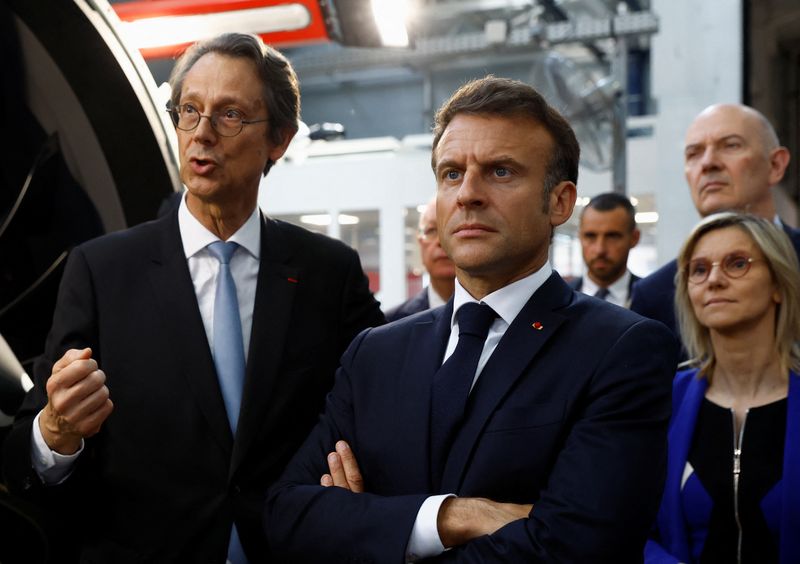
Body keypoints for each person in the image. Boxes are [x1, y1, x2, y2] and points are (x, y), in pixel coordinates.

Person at [2, 33, 384, 563]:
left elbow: (382, 409)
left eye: (229, 115)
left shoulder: (328, 273)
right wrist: (55, 432)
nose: (201, 134)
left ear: (279, 138)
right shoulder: (101, 270)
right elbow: (24, 451)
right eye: (189, 111)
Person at [264, 76, 679, 562]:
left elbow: (575, 548)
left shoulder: (622, 349)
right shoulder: (374, 354)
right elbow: (287, 516)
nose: (469, 194)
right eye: (451, 173)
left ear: (560, 202)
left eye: (501, 172)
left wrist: (371, 529)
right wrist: (450, 517)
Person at [645, 212, 800, 563]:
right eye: (699, 270)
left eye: (737, 264)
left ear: (777, 283)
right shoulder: (663, 400)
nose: (714, 279)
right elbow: (630, 524)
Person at [631, 103, 800, 336]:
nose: (708, 163)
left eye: (731, 145)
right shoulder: (655, 295)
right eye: (694, 153)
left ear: (775, 165)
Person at [385, 196, 456, 321]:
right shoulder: (391, 323)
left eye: (452, 229)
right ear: (420, 242)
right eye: (431, 230)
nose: (440, 241)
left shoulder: (497, 317)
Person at [569, 192, 641, 307]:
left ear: (634, 238)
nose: (600, 250)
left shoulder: (658, 300)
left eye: (612, 236)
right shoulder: (556, 299)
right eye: (590, 236)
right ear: (580, 237)